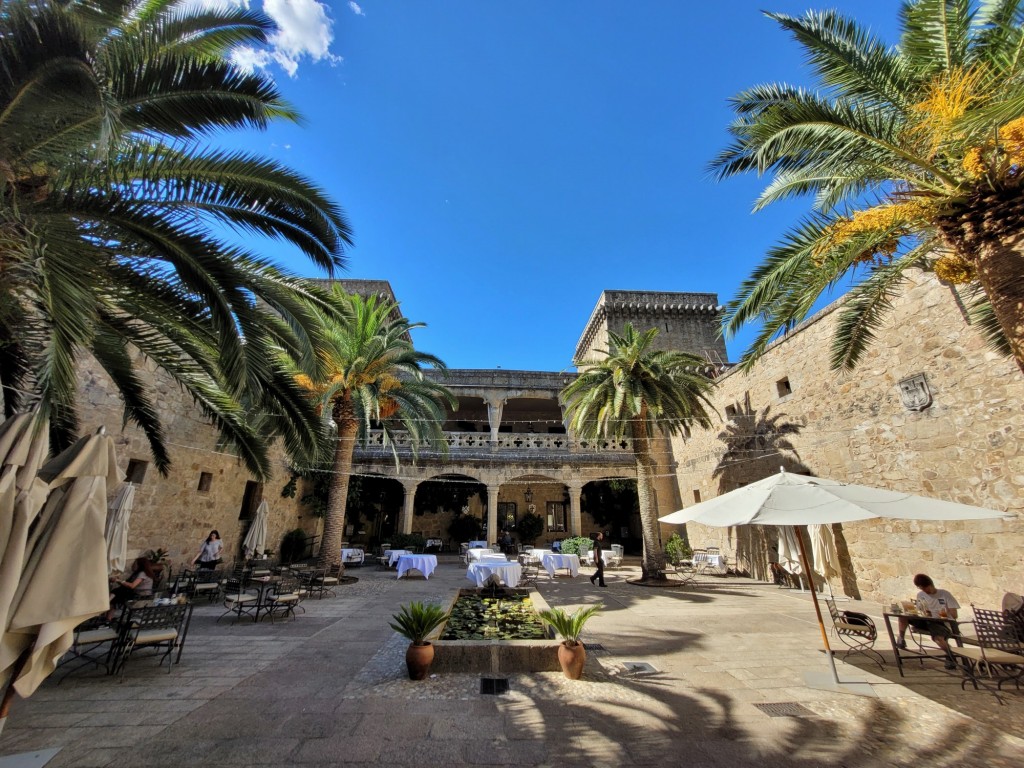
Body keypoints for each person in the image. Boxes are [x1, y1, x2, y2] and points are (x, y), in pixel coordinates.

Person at [897, 573, 960, 669]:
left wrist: (939, 613)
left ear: (930, 585)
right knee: (903, 616)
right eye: (921, 589)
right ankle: (901, 638)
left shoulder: (945, 594)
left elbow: (954, 615)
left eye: (925, 588)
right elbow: (920, 610)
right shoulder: (921, 595)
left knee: (938, 637)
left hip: (940, 622)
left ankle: (950, 655)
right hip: (925, 620)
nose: (924, 591)